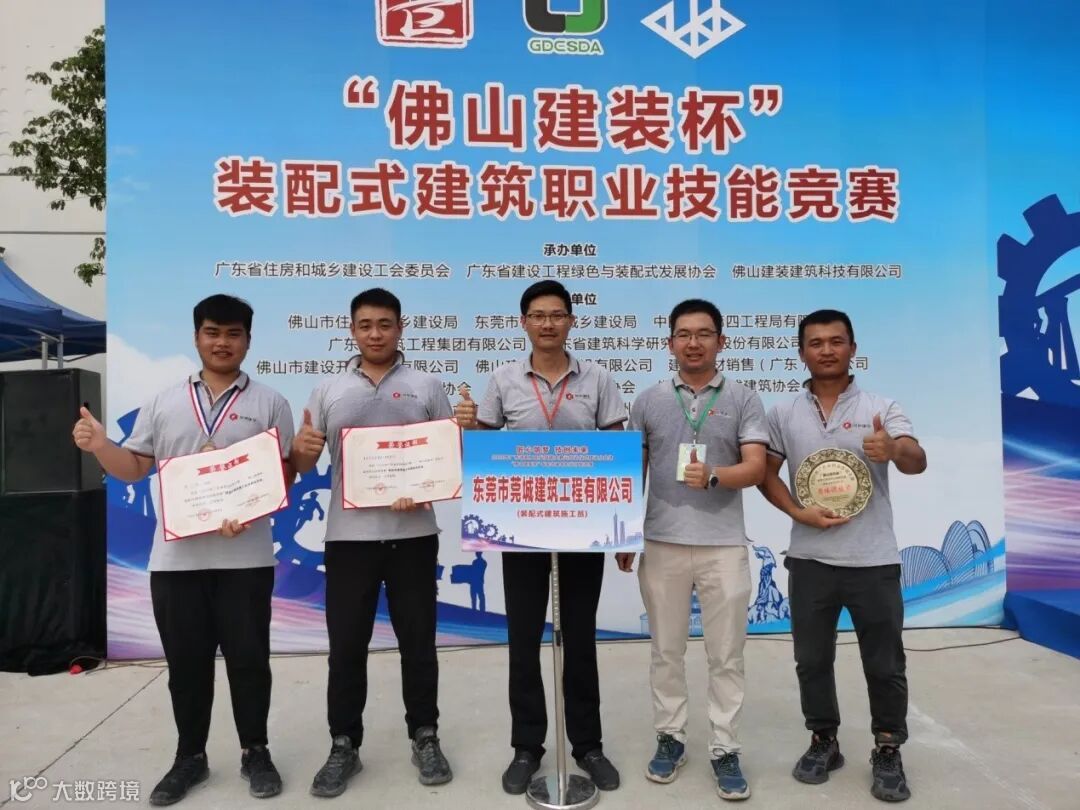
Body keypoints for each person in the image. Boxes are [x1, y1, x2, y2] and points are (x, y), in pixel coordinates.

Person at [72, 294, 295, 806]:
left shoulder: (270, 403)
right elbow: (134, 468)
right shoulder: (164, 402)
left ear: (248, 341)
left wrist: (253, 509)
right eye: (213, 332)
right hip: (176, 563)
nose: (223, 342)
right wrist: (100, 445)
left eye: (234, 334)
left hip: (246, 559)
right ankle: (189, 756)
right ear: (197, 337)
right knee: (187, 666)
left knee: (249, 662)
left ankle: (255, 751)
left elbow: (282, 476)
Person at [454, 280, 626, 795]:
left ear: (571, 320)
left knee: (580, 638)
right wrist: (469, 425)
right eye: (538, 315)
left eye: (557, 315)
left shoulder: (598, 379)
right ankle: (527, 747)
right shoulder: (504, 379)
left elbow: (617, 451)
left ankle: (588, 745)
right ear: (523, 322)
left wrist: (621, 530)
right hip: (521, 526)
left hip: (583, 527)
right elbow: (484, 449)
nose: (548, 323)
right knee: (524, 639)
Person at [758, 309, 927, 803]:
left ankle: (888, 747)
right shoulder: (784, 413)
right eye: (816, 343)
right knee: (811, 660)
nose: (826, 350)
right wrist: (797, 511)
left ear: (853, 348)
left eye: (836, 341)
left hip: (873, 559)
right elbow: (766, 473)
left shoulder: (881, 407)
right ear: (801, 352)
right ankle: (823, 740)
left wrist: (893, 448)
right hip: (810, 559)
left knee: (885, 662)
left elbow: (917, 461)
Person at [291, 287, 453, 798]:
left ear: (401, 328)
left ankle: (425, 735)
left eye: (385, 324)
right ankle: (344, 744)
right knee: (346, 648)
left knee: (419, 643)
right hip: (349, 539)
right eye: (365, 325)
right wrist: (302, 449)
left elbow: (446, 459)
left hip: (414, 536)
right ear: (352, 330)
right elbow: (303, 464)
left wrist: (425, 483)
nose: (375, 334)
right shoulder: (328, 390)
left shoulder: (427, 386)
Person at [616, 298, 767, 801]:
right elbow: (634, 470)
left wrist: (716, 476)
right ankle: (671, 737)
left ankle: (725, 747)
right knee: (666, 651)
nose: (693, 343)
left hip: (723, 545)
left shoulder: (744, 398)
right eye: (684, 334)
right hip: (661, 542)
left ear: (721, 341)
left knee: (726, 654)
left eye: (704, 334)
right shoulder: (649, 401)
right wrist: (625, 533)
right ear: (670, 343)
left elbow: (756, 467)